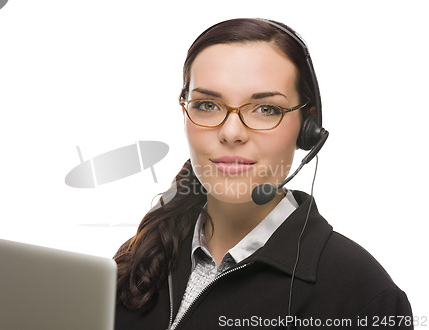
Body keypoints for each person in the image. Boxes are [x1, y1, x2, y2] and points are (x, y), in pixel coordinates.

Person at [113, 18, 413, 329]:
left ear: (307, 130)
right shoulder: (138, 260)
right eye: (206, 104)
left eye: (266, 109)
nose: (231, 133)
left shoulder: (364, 296)